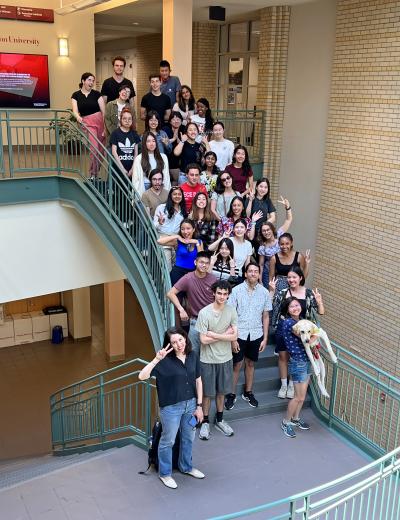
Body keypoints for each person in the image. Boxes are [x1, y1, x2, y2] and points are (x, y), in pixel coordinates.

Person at [138, 327, 204, 489]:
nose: (179, 344)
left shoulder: (193, 356)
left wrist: (200, 406)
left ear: (185, 338)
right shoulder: (164, 362)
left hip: (191, 405)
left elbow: (198, 381)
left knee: (188, 437)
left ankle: (186, 467)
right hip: (171, 409)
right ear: (169, 344)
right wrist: (156, 359)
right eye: (174, 342)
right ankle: (165, 473)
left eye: (180, 339)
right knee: (168, 440)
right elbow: (142, 376)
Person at [269, 266, 324, 400]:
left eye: (294, 277)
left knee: (295, 358)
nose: (291, 280)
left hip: (302, 332)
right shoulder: (282, 292)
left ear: (301, 278)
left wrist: (320, 302)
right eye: (289, 277)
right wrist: (271, 292)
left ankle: (293, 385)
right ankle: (284, 385)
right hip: (284, 329)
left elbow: (320, 312)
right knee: (283, 357)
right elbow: (270, 305)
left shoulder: (309, 293)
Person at [225, 263, 272, 410]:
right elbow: (230, 316)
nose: (253, 273)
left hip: (256, 334)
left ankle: (248, 392)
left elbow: (265, 316)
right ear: (245, 274)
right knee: (236, 365)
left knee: (251, 363)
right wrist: (233, 339)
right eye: (250, 271)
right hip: (239, 334)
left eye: (256, 271)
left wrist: (265, 338)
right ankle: (230, 394)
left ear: (259, 274)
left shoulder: (264, 292)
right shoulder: (236, 291)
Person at [196, 280, 238, 440]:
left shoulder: (231, 311)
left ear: (228, 295)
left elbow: (234, 336)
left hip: (225, 358)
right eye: (219, 293)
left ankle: (220, 420)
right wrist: (224, 335)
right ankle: (205, 422)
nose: (222, 296)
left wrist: (213, 334)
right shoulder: (204, 313)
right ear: (214, 293)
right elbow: (203, 340)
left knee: (221, 392)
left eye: (225, 294)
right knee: (207, 394)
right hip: (207, 359)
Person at [167, 251, 216, 354]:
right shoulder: (188, 278)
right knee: (193, 354)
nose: (204, 265)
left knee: (210, 355)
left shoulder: (213, 279)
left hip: (212, 321)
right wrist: (181, 310)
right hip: (195, 322)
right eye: (201, 262)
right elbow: (170, 293)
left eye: (207, 263)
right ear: (195, 262)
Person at [278, 298, 314, 438]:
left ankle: (296, 418)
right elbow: (308, 339)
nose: (295, 308)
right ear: (287, 309)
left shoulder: (301, 321)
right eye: (291, 306)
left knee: (302, 396)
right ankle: (286, 422)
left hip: (306, 360)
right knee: (298, 397)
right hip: (298, 361)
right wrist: (316, 334)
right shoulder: (289, 323)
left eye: (297, 305)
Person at [71, 72, 105, 178]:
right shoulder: (75, 95)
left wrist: (105, 128)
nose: (91, 83)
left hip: (100, 123)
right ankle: (92, 173)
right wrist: (78, 117)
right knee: (94, 148)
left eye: (93, 81)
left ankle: (95, 171)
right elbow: (75, 111)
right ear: (83, 81)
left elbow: (104, 112)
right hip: (88, 123)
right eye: (89, 80)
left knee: (101, 151)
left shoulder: (97, 94)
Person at [258, 196, 292, 287]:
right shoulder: (262, 246)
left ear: (272, 229)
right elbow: (261, 264)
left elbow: (288, 220)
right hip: (267, 274)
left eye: (268, 229)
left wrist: (287, 208)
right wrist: (260, 279)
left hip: (281, 272)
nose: (266, 232)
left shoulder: (280, 235)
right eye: (264, 231)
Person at [158, 219, 203, 284]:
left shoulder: (198, 242)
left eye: (188, 228)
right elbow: (159, 241)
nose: (185, 231)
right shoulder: (178, 241)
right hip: (177, 273)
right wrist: (177, 236)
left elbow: (201, 259)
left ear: (193, 229)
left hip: (192, 274)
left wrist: (195, 242)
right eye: (182, 229)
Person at [154, 186, 187, 270]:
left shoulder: (183, 211)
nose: (177, 196)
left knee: (176, 269)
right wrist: (159, 223)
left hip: (176, 242)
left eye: (179, 194)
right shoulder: (162, 208)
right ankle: (166, 284)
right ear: (170, 196)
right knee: (167, 269)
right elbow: (153, 226)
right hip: (163, 240)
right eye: (174, 194)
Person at [110, 108, 140, 187]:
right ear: (121, 119)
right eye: (125, 119)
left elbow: (136, 153)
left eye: (129, 119)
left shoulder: (135, 134)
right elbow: (114, 152)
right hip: (118, 169)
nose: (127, 121)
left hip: (132, 170)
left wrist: (133, 169)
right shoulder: (115, 133)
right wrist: (122, 169)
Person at [162, 111, 185, 185]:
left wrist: (177, 138)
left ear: (181, 121)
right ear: (170, 121)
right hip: (167, 159)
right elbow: (164, 141)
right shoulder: (166, 129)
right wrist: (174, 139)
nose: (176, 121)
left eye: (178, 119)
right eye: (173, 119)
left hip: (179, 162)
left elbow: (184, 143)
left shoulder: (184, 129)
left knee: (176, 183)